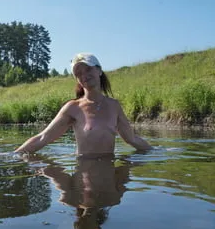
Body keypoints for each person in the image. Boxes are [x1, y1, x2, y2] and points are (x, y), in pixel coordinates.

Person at [14, 53, 152, 155]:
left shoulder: (114, 106)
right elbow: (43, 137)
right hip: (84, 172)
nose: (84, 75)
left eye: (88, 69)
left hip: (109, 173)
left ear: (99, 70)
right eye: (78, 73)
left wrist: (155, 151)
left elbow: (132, 139)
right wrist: (15, 155)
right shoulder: (73, 108)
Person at [40, 154, 133, 229]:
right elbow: (127, 166)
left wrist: (38, 166)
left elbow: (49, 171)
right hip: (105, 154)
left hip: (87, 155)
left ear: (76, 224)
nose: (81, 225)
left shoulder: (70, 198)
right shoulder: (113, 198)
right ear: (97, 228)